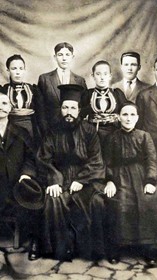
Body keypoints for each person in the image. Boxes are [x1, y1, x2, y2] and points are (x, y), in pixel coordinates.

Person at [91, 102, 157, 266]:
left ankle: (149, 248)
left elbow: (151, 160)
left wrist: (150, 181)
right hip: (120, 177)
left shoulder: (144, 136)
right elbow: (108, 162)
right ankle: (116, 248)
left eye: (132, 115)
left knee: (151, 199)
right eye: (125, 114)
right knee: (119, 202)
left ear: (137, 118)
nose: (128, 118)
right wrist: (110, 180)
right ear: (119, 117)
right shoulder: (112, 137)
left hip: (141, 176)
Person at [37, 84, 105, 261]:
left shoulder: (89, 130)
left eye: (73, 108)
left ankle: (87, 250)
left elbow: (96, 160)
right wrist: (54, 180)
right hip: (60, 175)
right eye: (65, 107)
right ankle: (62, 249)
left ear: (79, 110)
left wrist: (81, 180)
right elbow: (44, 158)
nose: (69, 112)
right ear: (61, 109)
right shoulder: (52, 131)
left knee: (95, 201)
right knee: (53, 198)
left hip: (86, 178)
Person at [0, 92, 41, 261]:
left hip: (17, 184)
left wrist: (26, 174)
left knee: (33, 199)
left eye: (3, 103)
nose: (0, 107)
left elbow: (31, 158)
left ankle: (34, 241)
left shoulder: (21, 132)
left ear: (10, 107)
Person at [136, 55, 157, 222]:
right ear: (154, 71)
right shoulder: (144, 95)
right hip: (149, 152)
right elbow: (139, 127)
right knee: (149, 192)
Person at [38, 42, 87, 131]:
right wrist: (45, 130)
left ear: (72, 57)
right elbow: (40, 108)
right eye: (60, 55)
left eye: (67, 55)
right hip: (51, 128)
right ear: (55, 57)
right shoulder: (44, 79)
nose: (64, 58)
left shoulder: (80, 80)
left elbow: (83, 106)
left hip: (74, 128)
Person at [82, 60, 126, 159]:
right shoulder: (88, 94)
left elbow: (126, 113)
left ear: (110, 76)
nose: (102, 77)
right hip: (93, 134)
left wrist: (116, 118)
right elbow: (80, 115)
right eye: (98, 74)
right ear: (93, 76)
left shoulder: (117, 94)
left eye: (105, 74)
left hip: (114, 133)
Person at [3, 54, 44, 143]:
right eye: (14, 69)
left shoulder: (33, 90)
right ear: (8, 70)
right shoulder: (3, 90)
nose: (18, 72)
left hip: (31, 130)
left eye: (21, 68)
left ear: (24, 70)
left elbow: (41, 114)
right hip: (10, 130)